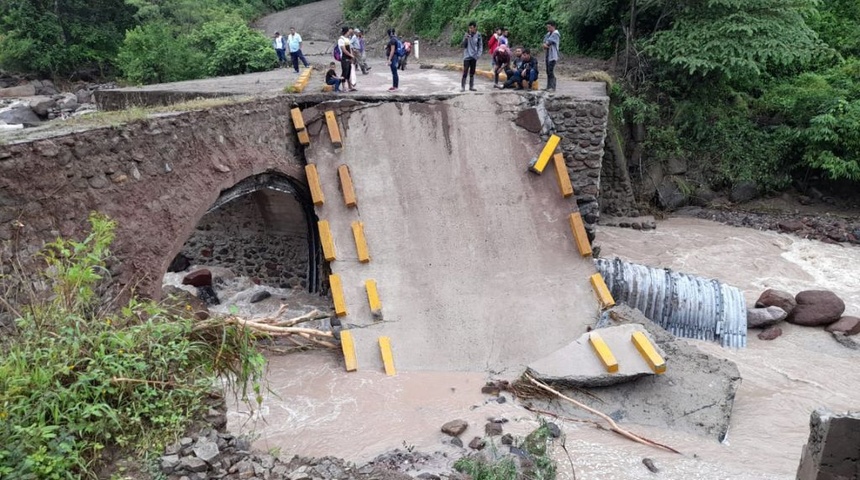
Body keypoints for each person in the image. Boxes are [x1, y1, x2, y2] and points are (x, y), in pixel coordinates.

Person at [461, 21, 482, 92]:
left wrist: (478, 54)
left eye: (472, 28)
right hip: (467, 56)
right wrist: (466, 38)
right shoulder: (466, 34)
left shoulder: (478, 35)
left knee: (472, 72)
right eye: (469, 28)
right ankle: (463, 87)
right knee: (465, 71)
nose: (470, 29)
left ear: (475, 28)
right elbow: (463, 45)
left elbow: (480, 45)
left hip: (474, 56)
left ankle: (471, 86)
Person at [542, 20, 560, 91]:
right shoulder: (548, 34)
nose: (548, 29)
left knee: (550, 71)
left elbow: (548, 42)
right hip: (548, 54)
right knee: (548, 71)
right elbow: (544, 43)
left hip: (553, 55)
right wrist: (545, 44)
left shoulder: (556, 34)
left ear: (553, 26)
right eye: (547, 27)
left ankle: (552, 87)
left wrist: (545, 44)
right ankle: (548, 86)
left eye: (549, 27)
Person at [337, 26, 356, 91]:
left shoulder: (347, 39)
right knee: (344, 72)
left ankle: (350, 86)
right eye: (348, 31)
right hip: (344, 58)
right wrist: (350, 55)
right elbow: (344, 50)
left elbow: (349, 48)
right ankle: (344, 87)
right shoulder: (341, 39)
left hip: (348, 58)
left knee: (349, 72)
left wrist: (351, 56)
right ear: (346, 32)